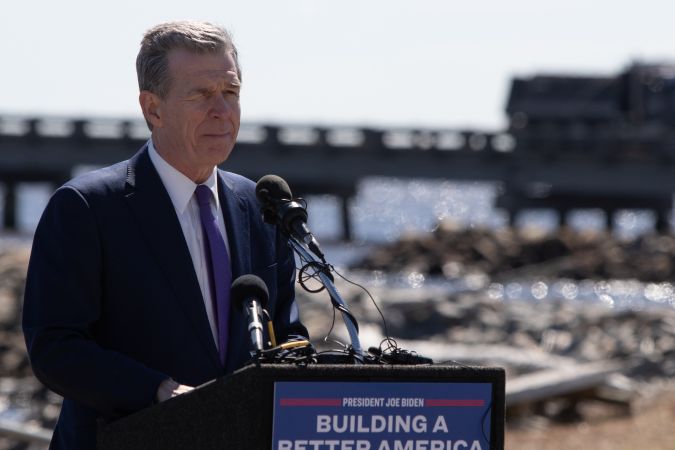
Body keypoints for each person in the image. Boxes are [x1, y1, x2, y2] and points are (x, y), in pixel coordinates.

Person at [22, 20, 309, 450]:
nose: (222, 111)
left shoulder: (260, 206)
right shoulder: (86, 207)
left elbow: (287, 332)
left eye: (231, 93)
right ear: (153, 109)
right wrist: (159, 391)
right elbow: (55, 346)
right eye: (201, 94)